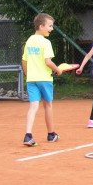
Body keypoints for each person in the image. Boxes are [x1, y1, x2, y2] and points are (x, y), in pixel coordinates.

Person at [21, 13, 63, 147]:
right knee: (48, 105)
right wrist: (58, 70)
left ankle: (28, 135)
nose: (51, 29)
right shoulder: (46, 42)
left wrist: (29, 75)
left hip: (32, 79)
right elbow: (48, 62)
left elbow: (24, 61)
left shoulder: (29, 40)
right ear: (41, 26)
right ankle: (51, 134)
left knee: (33, 106)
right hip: (45, 79)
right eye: (50, 26)